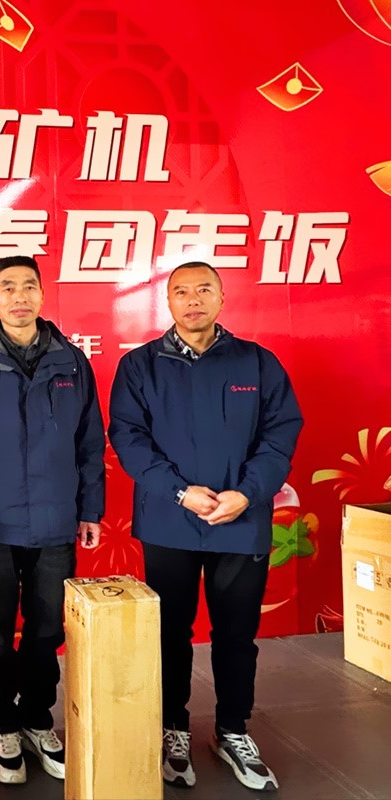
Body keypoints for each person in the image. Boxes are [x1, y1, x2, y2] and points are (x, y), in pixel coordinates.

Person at [109, 261, 302, 792]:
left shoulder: (256, 363)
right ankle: (173, 728)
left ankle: (233, 729)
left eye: (203, 290)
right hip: (170, 520)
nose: (192, 300)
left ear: (221, 298)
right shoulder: (140, 366)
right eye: (181, 292)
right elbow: (128, 438)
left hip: (241, 520)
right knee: (170, 633)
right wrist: (179, 491)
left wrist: (248, 493)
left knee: (237, 634)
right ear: (167, 302)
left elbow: (281, 433)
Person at [0, 255, 105, 785]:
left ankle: (37, 719)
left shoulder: (71, 362)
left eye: (29, 286)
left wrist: (90, 508)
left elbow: (89, 441)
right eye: (8, 287)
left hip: (57, 521)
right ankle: (3, 726)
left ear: (42, 294)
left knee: (47, 629)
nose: (19, 296)